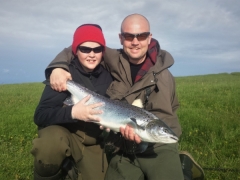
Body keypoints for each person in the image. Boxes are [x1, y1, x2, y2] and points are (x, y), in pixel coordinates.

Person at [45, 14, 205, 180]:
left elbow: (165, 117)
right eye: (129, 36)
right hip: (121, 146)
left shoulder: (164, 77)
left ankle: (184, 168)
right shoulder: (112, 58)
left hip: (157, 147)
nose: (135, 42)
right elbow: (79, 47)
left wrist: (143, 136)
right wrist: (57, 67)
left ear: (150, 38)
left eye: (141, 36)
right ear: (120, 38)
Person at [31, 24, 114, 180]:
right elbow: (40, 115)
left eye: (97, 49)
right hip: (64, 134)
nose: (92, 54)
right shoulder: (63, 75)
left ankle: (71, 169)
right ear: (76, 50)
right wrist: (73, 113)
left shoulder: (109, 75)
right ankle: (56, 169)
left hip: (93, 141)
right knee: (50, 148)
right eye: (85, 49)